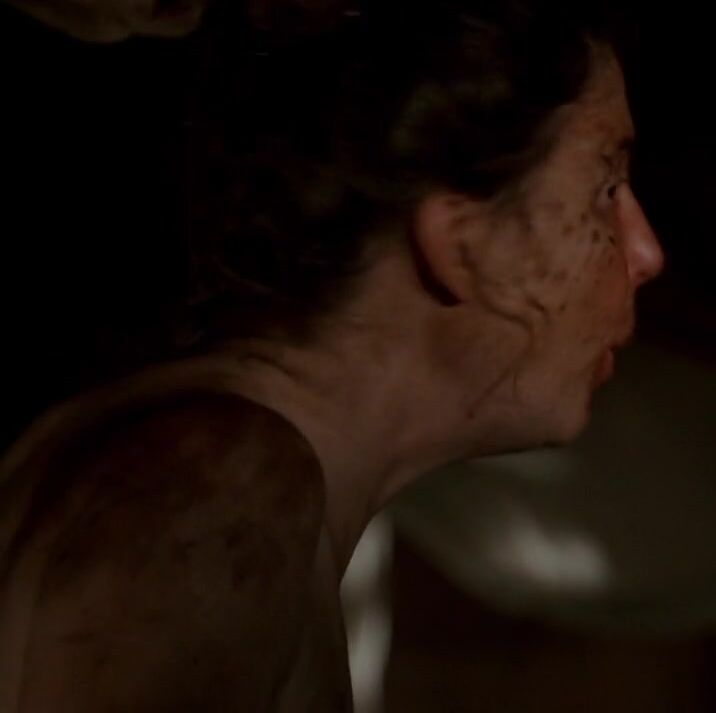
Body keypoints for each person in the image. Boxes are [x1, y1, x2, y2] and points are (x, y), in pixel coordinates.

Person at [0, 1, 663, 709]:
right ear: (464, 241)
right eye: (605, 189)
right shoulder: (226, 487)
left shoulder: (233, 478)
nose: (647, 252)